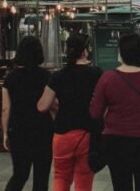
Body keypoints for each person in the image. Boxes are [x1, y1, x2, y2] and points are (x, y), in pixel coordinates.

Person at [90, 32, 140, 191]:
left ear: (121, 53)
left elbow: (95, 112)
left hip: (116, 142)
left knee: (121, 185)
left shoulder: (108, 78)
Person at [37, 34, 102, 191]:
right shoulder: (96, 74)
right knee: (83, 178)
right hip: (86, 133)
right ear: (85, 51)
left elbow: (42, 106)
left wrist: (56, 107)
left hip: (62, 133)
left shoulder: (58, 76)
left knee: (60, 176)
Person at [2, 36, 53, 191]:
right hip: (42, 128)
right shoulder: (46, 76)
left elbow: (5, 107)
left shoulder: (10, 78)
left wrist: (5, 132)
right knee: (41, 175)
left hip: (18, 129)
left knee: (20, 173)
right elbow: (51, 104)